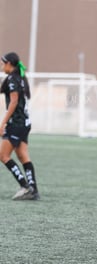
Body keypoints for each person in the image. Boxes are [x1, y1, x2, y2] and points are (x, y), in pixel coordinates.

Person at [0, 52, 39, 200]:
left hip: (16, 123)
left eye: (3, 63)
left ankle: (24, 186)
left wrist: (3, 122)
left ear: (10, 63)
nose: (2, 66)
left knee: (3, 155)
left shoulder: (12, 79)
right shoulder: (19, 78)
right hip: (24, 123)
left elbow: (14, 102)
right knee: (23, 156)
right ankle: (33, 190)